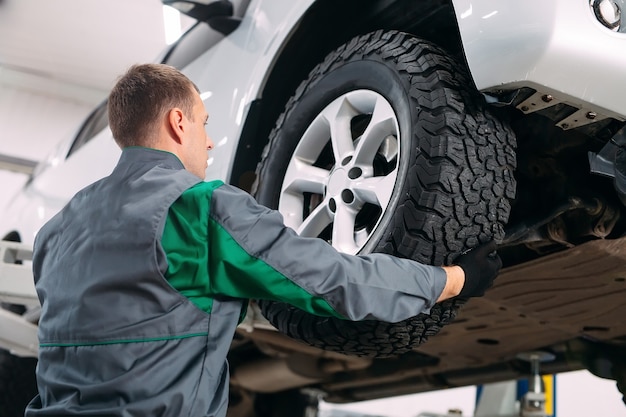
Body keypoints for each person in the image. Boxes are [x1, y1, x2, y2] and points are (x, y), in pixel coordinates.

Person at [25, 63, 502, 417]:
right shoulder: (197, 207)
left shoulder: (56, 231)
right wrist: (454, 279)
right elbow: (333, 280)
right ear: (177, 123)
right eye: (204, 122)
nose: (210, 142)